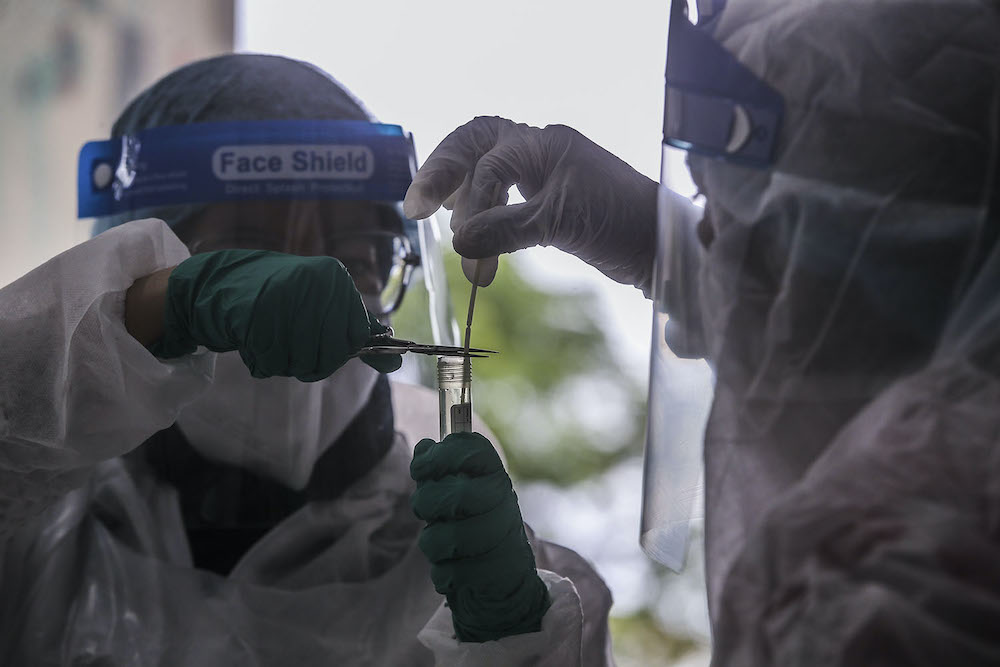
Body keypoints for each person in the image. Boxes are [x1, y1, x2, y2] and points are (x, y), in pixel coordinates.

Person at [404, 0, 1000, 663]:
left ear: (891, 244)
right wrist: (660, 254)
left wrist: (518, 635)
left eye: (734, 216)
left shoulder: (901, 575)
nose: (706, 239)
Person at [0, 54, 614, 666]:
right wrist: (151, 310)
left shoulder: (503, 591)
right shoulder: (36, 541)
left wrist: (512, 639)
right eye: (245, 249)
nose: (314, 284)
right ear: (136, 266)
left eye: (357, 252)